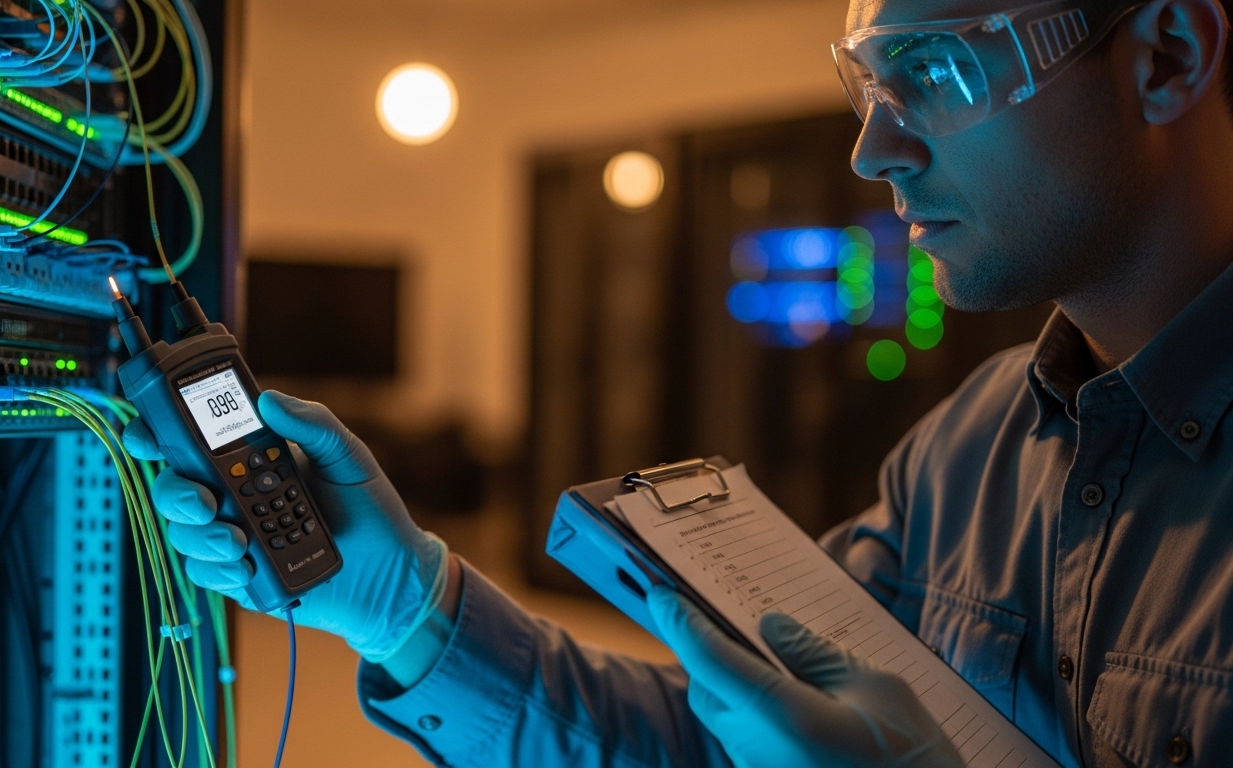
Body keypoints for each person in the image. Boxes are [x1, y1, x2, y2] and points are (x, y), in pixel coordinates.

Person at [122, 0, 1233, 762]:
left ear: (1167, 55)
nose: (873, 149)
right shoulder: (964, 448)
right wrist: (409, 607)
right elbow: (728, 742)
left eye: (937, 70)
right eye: (866, 87)